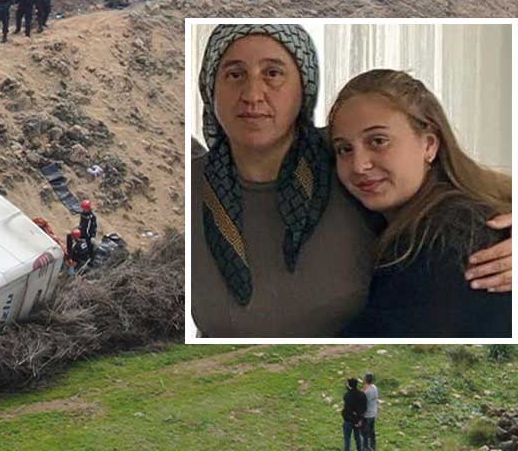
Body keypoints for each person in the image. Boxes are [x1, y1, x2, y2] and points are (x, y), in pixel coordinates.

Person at [191, 24, 512, 338]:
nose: (252, 95)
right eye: (234, 74)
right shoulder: (190, 186)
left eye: (273, 73)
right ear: (209, 88)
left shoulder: (445, 235)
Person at [330, 70, 512, 338]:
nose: (359, 165)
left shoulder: (444, 238)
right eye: (344, 149)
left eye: (378, 141)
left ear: (428, 145)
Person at [342, 378, 368, 451]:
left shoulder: (347, 396)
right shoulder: (362, 395)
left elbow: (348, 410)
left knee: (347, 440)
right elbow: (364, 408)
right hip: (358, 421)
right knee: (359, 439)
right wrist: (359, 420)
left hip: (348, 420)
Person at [362, 373, 379, 451]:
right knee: (372, 432)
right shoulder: (374, 388)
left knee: (365, 433)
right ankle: (373, 446)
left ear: (365, 380)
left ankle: (366, 448)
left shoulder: (366, 392)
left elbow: (362, 400)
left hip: (367, 414)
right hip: (373, 413)